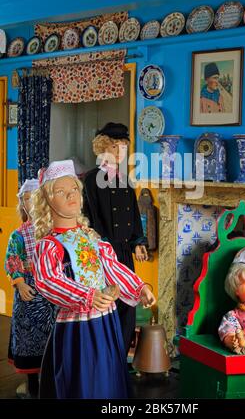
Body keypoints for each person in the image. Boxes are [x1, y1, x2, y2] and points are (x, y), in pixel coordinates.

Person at [31, 160, 156, 399]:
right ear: (46, 201)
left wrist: (138, 288)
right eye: (60, 191)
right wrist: (88, 296)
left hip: (105, 320)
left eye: (74, 189)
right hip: (76, 326)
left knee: (107, 373)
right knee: (83, 379)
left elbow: (111, 267)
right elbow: (49, 280)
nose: (71, 195)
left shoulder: (91, 236)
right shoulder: (49, 245)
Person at [82, 122, 148, 355]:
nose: (120, 152)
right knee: (106, 303)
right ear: (103, 148)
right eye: (115, 146)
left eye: (123, 147)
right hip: (102, 253)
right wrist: (98, 246)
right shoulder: (91, 180)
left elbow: (133, 213)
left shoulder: (125, 180)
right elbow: (89, 216)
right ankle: (103, 355)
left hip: (124, 252)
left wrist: (138, 242)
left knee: (127, 302)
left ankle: (119, 355)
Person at [4, 179, 56, 398]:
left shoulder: (52, 231)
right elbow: (12, 259)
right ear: (22, 205)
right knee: (27, 336)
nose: (31, 203)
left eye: (34, 198)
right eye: (26, 199)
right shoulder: (18, 235)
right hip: (29, 292)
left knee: (52, 336)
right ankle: (31, 382)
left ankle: (52, 378)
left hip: (51, 292)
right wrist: (20, 282)